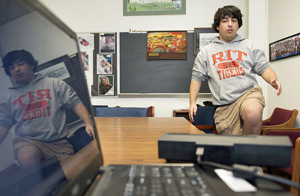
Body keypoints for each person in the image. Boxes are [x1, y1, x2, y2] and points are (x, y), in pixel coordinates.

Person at [189, 5, 282, 135]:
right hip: (225, 106)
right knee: (233, 145)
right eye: (225, 20)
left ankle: (250, 153)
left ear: (238, 25)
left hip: (248, 93)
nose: (230, 24)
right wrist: (192, 102)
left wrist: (272, 79)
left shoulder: (249, 45)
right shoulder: (206, 52)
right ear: (217, 26)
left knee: (252, 112)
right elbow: (196, 78)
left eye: (234, 21)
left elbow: (263, 67)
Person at [0, 50, 95, 170]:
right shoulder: (7, 96)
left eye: (20, 64)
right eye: (11, 67)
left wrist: (88, 123)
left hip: (58, 143)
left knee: (71, 174)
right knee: (28, 158)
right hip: (28, 142)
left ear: (31, 65)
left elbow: (75, 103)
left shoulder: (54, 84)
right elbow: (3, 123)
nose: (17, 69)